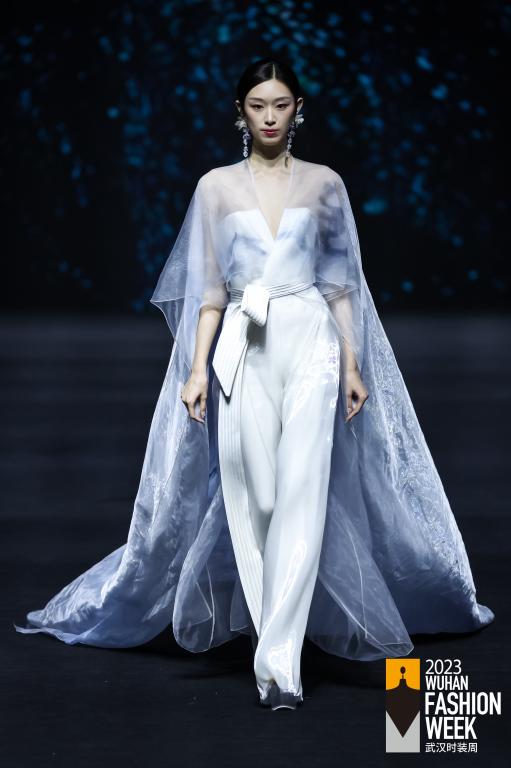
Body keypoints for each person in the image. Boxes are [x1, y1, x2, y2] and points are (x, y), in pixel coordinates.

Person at [14, 57, 494, 712]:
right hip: (243, 344)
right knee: (254, 496)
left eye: (280, 104)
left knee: (302, 490)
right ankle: (275, 636)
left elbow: (340, 284)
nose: (269, 117)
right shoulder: (214, 188)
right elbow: (210, 292)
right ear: (239, 113)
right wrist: (194, 371)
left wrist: (352, 365)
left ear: (299, 109)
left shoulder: (324, 184)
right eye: (257, 105)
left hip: (312, 339)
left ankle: (280, 666)